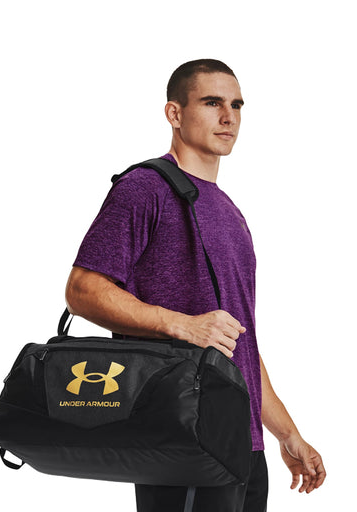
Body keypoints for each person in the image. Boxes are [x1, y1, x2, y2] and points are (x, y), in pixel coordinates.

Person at [65, 59, 326, 512]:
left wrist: (287, 434)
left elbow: (238, 343)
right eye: (211, 102)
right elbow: (82, 290)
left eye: (236, 105)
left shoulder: (229, 212)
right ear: (175, 113)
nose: (228, 117)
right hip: (181, 441)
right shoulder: (144, 188)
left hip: (244, 447)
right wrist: (183, 325)